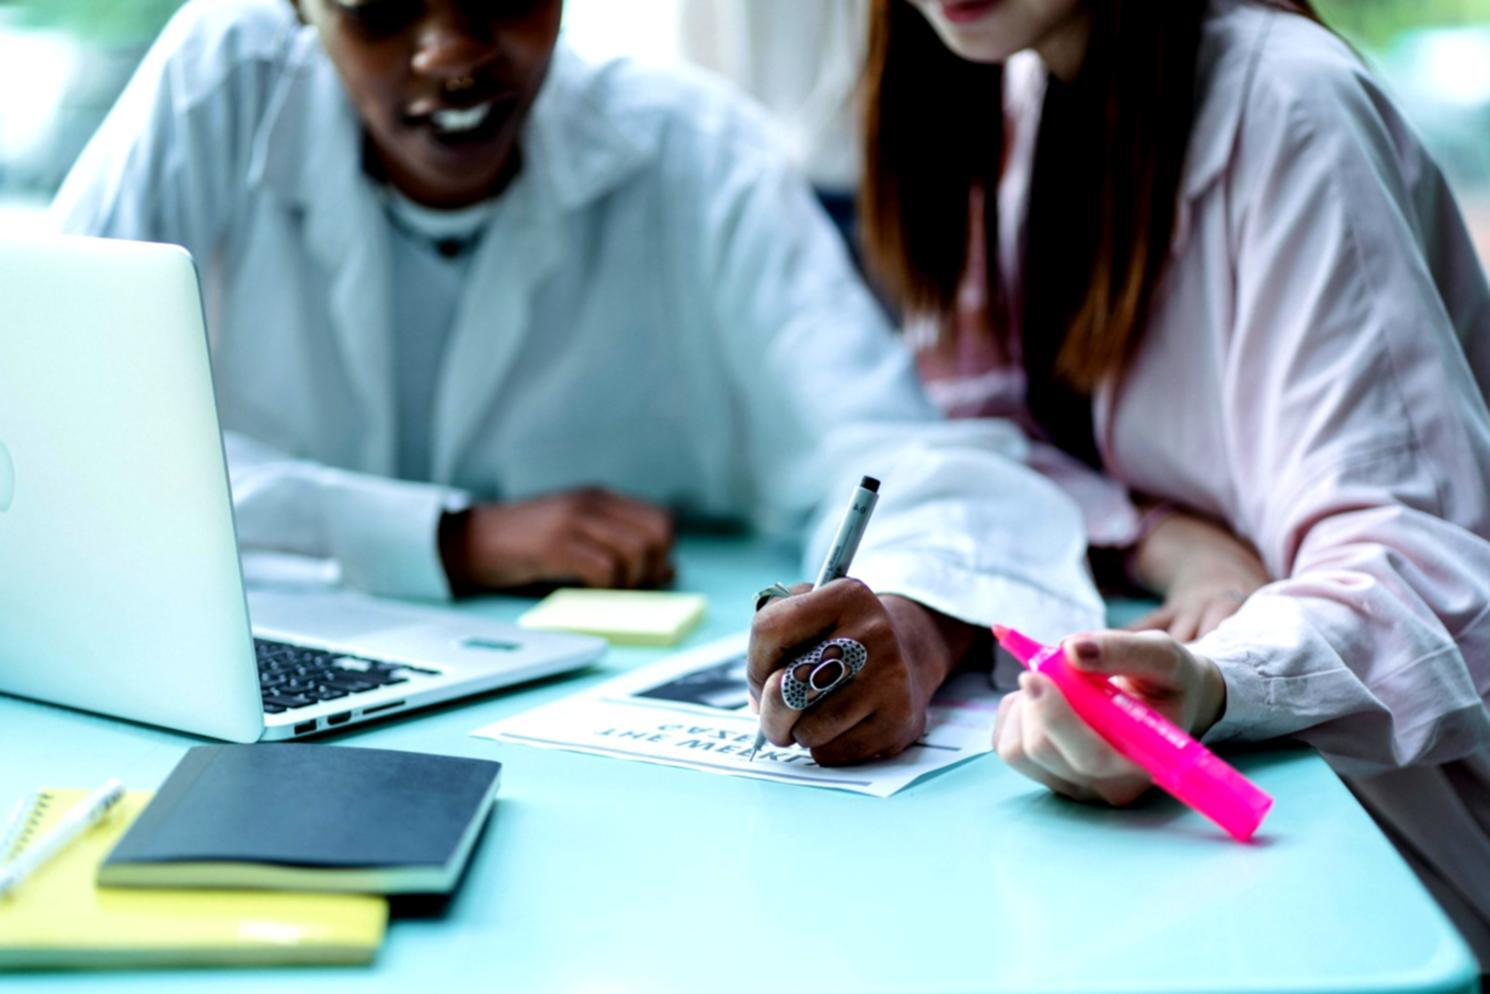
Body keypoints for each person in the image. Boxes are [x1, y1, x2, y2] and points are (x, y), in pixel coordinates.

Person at [51, 0, 1113, 765]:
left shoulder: (692, 153)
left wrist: (910, 625)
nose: (451, 51)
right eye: (377, 10)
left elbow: (904, 461)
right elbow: (57, 432)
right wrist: (449, 535)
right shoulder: (218, 81)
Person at [861, 0, 1490, 967]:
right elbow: (984, 433)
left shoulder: (1290, 103)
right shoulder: (1026, 85)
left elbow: (1427, 568)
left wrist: (1210, 681)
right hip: (1222, 871)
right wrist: (1164, 536)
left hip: (1395, 860)